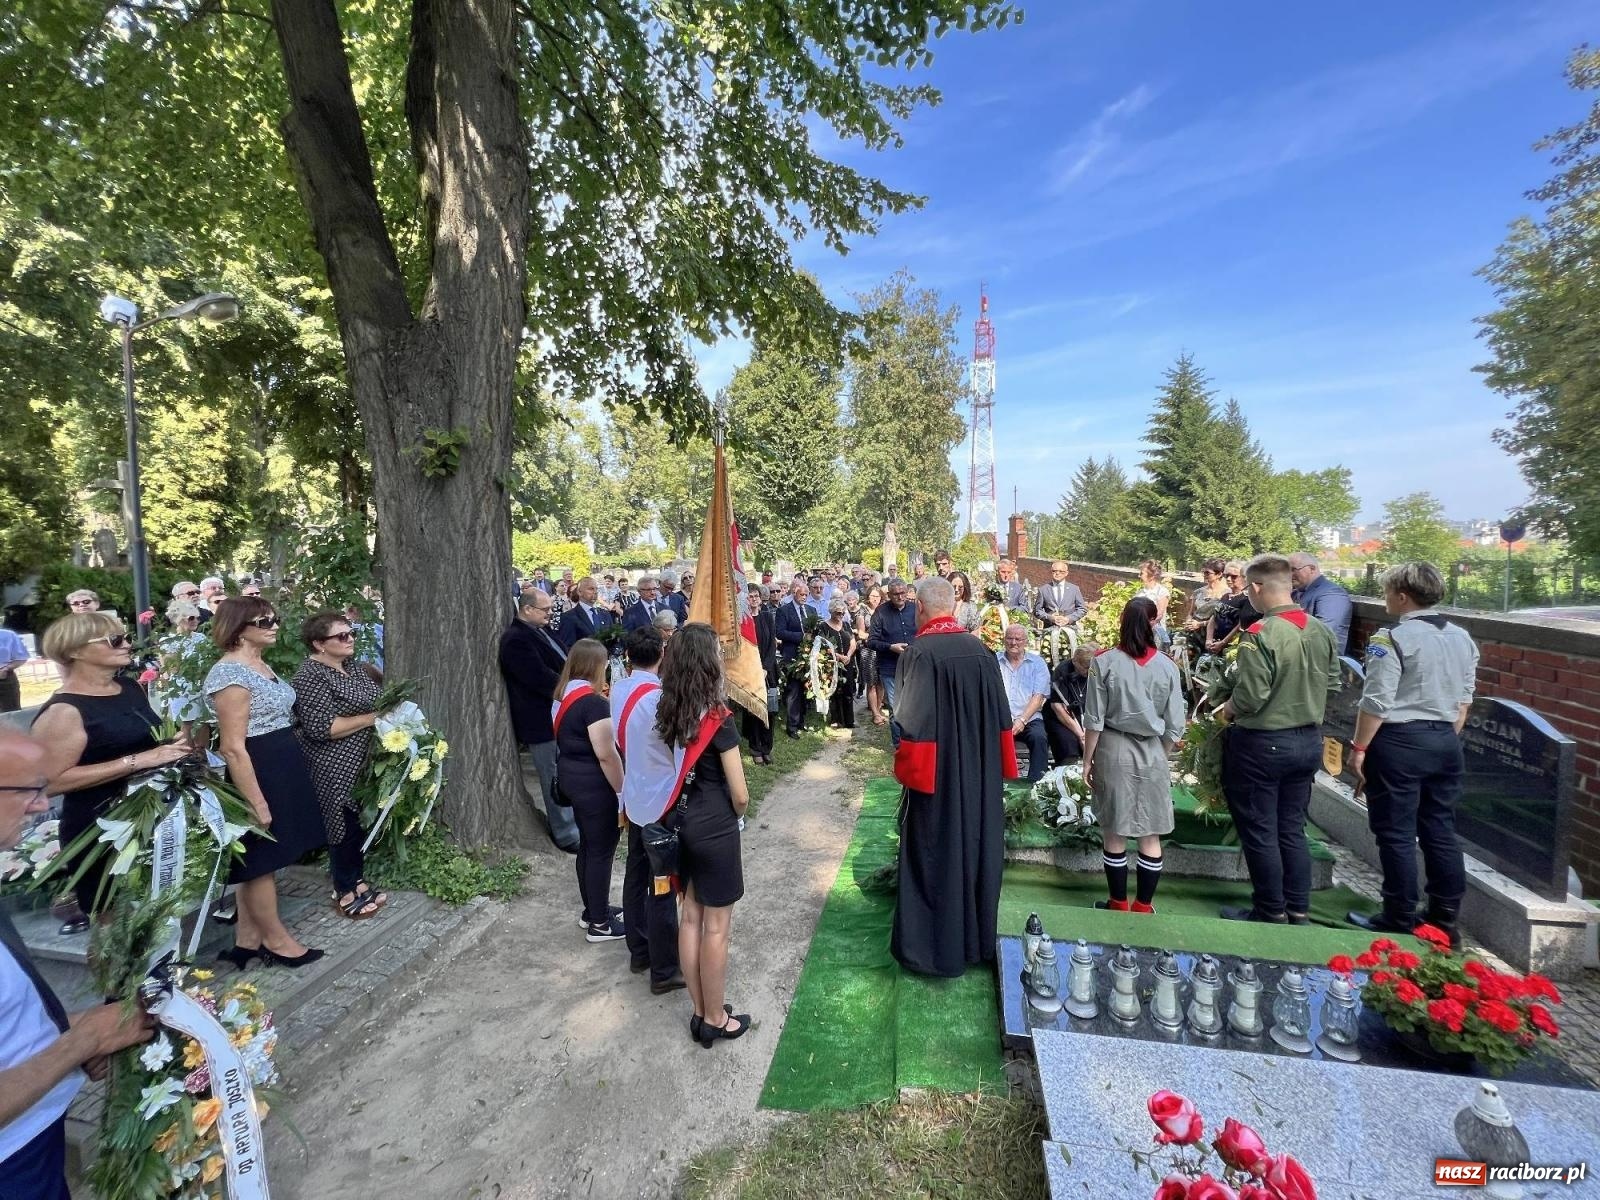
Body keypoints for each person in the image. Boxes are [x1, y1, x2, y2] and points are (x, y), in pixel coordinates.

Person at [0, 729, 156, 1197]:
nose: (42, 806)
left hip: (31, 1137)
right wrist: (81, 1040)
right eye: (28, 790)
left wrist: (69, 1029)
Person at [1346, 562, 1479, 948]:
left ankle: (1399, 913)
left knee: (1396, 832)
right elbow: (1463, 701)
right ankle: (1444, 917)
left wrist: (1359, 748)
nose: (1385, 598)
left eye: (1387, 592)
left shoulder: (1391, 638)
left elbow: (1376, 701)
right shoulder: (1461, 637)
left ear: (1402, 596)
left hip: (1400, 740)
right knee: (1439, 827)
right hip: (1444, 739)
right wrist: (1443, 736)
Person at [31, 614, 191, 934]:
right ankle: (120, 985)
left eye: (125, 636)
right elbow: (47, 783)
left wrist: (177, 744)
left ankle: (158, 981)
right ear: (75, 651)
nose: (128, 644)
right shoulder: (64, 710)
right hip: (98, 828)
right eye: (114, 640)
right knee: (113, 931)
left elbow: (141, 742)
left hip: (147, 818)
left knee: (154, 917)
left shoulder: (130, 688)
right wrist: (139, 760)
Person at [890, 577, 1016, 977]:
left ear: (921, 609)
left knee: (934, 852)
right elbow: (1002, 719)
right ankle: (976, 943)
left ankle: (932, 952)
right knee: (976, 849)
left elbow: (910, 722)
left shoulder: (919, 652)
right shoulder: (981, 651)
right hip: (978, 776)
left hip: (937, 780)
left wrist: (909, 776)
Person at [1214, 555, 1340, 925]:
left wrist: (1226, 711)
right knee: (1292, 826)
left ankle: (1270, 908)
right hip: (1307, 741)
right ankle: (1297, 907)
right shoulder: (1319, 630)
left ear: (1255, 588)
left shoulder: (1261, 633)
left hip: (1263, 743)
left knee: (1260, 827)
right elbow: (1333, 683)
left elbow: (1251, 696)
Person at [204, 598, 329, 966]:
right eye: (264, 620)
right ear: (239, 627)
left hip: (281, 761)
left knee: (260, 861)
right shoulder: (230, 675)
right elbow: (232, 747)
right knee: (261, 857)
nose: (274, 625)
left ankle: (247, 940)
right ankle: (277, 942)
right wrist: (255, 801)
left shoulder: (257, 664)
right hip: (256, 767)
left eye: (276, 618)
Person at [655, 624, 751, 1046]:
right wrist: (739, 814)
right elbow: (741, 793)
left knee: (690, 918)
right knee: (716, 928)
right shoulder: (719, 717)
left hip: (683, 821)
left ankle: (699, 1011)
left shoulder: (671, 708)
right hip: (715, 827)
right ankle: (716, 1017)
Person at [1083, 597, 1186, 914]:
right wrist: (1160, 752)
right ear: (1155, 623)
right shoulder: (1168, 666)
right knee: (1149, 833)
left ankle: (1118, 902)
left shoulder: (1104, 662)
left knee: (1114, 831)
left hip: (1113, 748)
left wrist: (1088, 759)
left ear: (1121, 622)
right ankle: (1143, 905)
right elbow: (1175, 725)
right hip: (1152, 751)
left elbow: (1094, 719)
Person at [291, 612, 389, 922]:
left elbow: (376, 700)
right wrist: (371, 719)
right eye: (341, 636)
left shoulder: (354, 669)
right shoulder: (309, 676)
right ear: (319, 643)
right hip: (331, 762)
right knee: (342, 824)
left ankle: (358, 879)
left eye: (351, 634)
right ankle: (344, 887)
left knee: (357, 822)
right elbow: (321, 727)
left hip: (362, 758)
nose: (350, 640)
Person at [611, 627, 683, 991]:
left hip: (633, 792)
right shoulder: (660, 697)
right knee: (662, 886)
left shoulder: (619, 689)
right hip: (659, 798)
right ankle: (664, 968)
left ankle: (639, 950)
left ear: (628, 657)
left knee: (635, 874)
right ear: (662, 654)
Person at [552, 639, 628, 942]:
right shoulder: (593, 703)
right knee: (601, 851)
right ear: (596, 666)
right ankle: (600, 923)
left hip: (571, 776)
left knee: (588, 847)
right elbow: (606, 754)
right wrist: (621, 791)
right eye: (605, 662)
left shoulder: (562, 693)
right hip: (594, 784)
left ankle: (592, 909)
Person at [499, 590, 582, 852]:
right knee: (551, 776)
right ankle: (566, 834)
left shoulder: (541, 629)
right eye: (544, 609)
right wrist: (572, 687)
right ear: (527, 610)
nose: (550, 613)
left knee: (566, 772)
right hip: (540, 719)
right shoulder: (515, 639)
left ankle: (575, 823)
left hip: (559, 713)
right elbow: (537, 676)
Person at [866, 577, 918, 746]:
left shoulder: (916, 609)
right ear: (889, 594)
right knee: (896, 708)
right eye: (895, 594)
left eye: (903, 593)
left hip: (914, 665)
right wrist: (890, 647)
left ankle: (914, 742)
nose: (900, 597)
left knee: (914, 706)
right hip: (890, 667)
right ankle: (898, 745)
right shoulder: (880, 612)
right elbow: (871, 641)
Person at [996, 625, 1051, 782]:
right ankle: (995, 783)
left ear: (1025, 641)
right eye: (1009, 638)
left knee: (1039, 738)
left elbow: (1038, 696)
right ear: (1004, 639)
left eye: (1018, 639)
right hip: (1000, 718)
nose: (1013, 642)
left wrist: (1022, 720)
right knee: (986, 738)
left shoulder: (1037, 663)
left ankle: (1036, 785)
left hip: (1029, 718)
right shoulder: (994, 661)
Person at [152, 599, 211, 734]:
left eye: (197, 617)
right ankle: (189, 754)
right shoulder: (167, 641)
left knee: (204, 723)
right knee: (187, 724)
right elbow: (173, 669)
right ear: (178, 619)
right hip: (181, 688)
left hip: (201, 686)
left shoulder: (201, 638)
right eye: (191, 618)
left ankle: (203, 754)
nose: (195, 621)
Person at [1289, 553, 1353, 656]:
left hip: (1321, 664)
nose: (1289, 574)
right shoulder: (1295, 593)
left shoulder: (1332, 594)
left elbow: (1323, 635)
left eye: (1293, 569)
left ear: (1312, 569)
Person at [775, 580, 812, 738]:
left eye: (806, 595)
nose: (804, 597)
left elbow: (814, 630)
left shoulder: (811, 610)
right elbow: (780, 632)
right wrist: (801, 637)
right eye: (801, 594)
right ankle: (792, 726)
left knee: (805, 690)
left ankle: (802, 721)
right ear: (794, 594)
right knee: (793, 691)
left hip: (809, 656)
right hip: (791, 656)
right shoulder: (784, 610)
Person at [744, 584, 777, 765]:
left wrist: (765, 667)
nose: (754, 599)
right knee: (754, 711)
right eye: (750, 596)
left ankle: (767, 747)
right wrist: (754, 669)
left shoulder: (767, 616)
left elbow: (772, 644)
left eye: (756, 595)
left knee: (769, 711)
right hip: (749, 671)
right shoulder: (744, 620)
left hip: (767, 671)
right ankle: (755, 747)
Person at [1044, 646, 1093, 765]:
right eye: (1086, 668)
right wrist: (1081, 736)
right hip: (1061, 717)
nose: (1089, 672)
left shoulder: (1095, 671)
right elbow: (1058, 708)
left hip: (1087, 716)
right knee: (1067, 744)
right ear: (1075, 661)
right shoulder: (1062, 670)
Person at [819, 596, 858, 731]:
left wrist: (847, 655)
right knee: (834, 691)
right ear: (831, 612)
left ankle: (849, 720)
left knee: (848, 690)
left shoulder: (846, 625)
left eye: (843, 612)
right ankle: (836, 719)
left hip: (847, 662)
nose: (840, 615)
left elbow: (853, 642)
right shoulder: (823, 626)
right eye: (838, 613)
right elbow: (824, 646)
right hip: (832, 663)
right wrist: (839, 656)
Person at [1206, 560, 1259, 652]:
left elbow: (1240, 625)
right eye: (1226, 575)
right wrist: (1208, 639)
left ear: (1244, 577)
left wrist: (1223, 643)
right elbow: (1214, 617)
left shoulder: (1247, 599)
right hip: (1214, 642)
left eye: (1234, 576)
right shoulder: (1225, 596)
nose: (1228, 579)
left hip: (1230, 646)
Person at [1183, 558, 1230, 657]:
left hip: (1212, 634)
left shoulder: (1227, 594)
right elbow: (1191, 613)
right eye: (1203, 572)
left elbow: (1223, 618)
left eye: (1207, 573)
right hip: (1193, 633)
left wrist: (1200, 624)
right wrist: (1188, 622)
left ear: (1219, 574)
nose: (1204, 575)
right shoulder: (1198, 592)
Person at [1035, 561, 1088, 629]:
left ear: (1066, 573)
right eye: (1054, 571)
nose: (1057, 573)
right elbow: (1037, 611)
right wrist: (1050, 618)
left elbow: (1082, 609)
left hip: (1070, 628)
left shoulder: (1074, 589)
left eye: (1061, 571)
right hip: (1050, 629)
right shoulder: (1043, 590)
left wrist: (1068, 619)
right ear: (1051, 572)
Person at [1136, 559, 1172, 649]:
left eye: (1141, 573)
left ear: (1151, 576)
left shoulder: (1162, 592)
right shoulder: (1140, 593)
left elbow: (1159, 614)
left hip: (1154, 634)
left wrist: (1147, 625)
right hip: (1139, 631)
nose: (1139, 576)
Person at [860, 583, 883, 713]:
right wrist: (874, 636)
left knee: (881, 681)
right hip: (868, 650)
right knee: (872, 682)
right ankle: (874, 711)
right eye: (872, 596)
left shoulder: (884, 610)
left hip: (882, 649)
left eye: (877, 596)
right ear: (868, 597)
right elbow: (861, 632)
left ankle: (879, 708)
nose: (875, 599)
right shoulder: (862, 611)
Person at [0, 625, 27, 714]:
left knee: (12, 714)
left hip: (4, 680)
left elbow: (22, 657)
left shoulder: (9, 635)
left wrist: (7, 668)